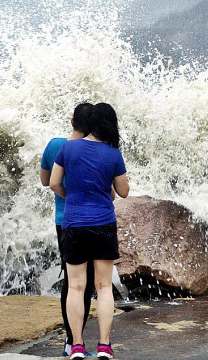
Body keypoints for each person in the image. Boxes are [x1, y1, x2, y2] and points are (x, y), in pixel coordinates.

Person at [50, 102, 129, 359]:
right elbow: (123, 191)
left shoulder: (67, 148)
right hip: (103, 223)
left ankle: (76, 347)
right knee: (104, 286)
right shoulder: (113, 153)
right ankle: (104, 346)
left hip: (73, 224)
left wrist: (71, 196)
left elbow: (53, 183)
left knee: (76, 287)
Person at [40, 103, 95, 357]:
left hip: (64, 220)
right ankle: (77, 340)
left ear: (72, 120)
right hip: (92, 220)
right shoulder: (95, 149)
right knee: (89, 283)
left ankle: (71, 340)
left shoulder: (55, 145)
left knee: (72, 281)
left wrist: (66, 195)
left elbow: (45, 181)